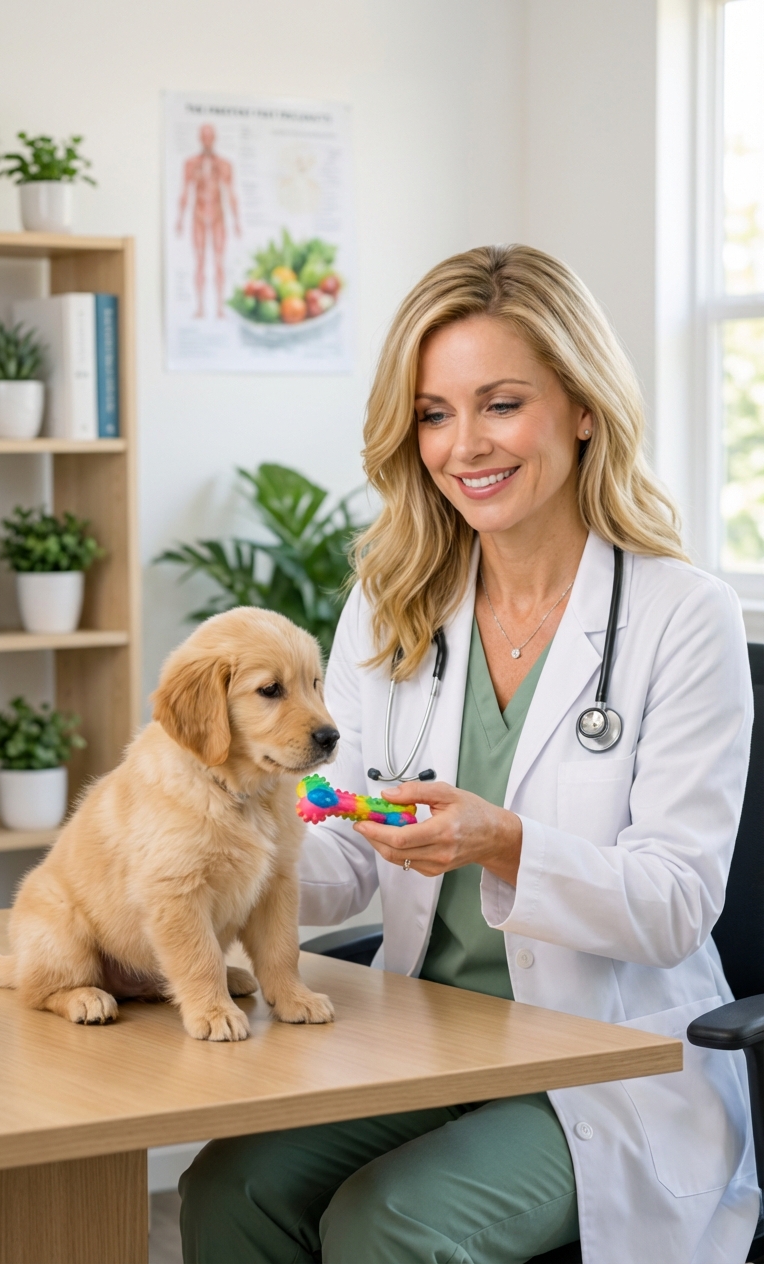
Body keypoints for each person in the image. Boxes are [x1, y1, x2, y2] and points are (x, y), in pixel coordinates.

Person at [179, 245, 757, 1264]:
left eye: (501, 404)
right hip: (428, 1037)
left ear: (582, 407)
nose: (464, 446)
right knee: (234, 1189)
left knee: (391, 1221)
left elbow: (675, 902)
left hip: (600, 1061)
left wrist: (503, 842)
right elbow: (341, 846)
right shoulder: (392, 605)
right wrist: (212, 847)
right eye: (434, 413)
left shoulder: (681, 615)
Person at [176, 123, 241, 319]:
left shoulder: (224, 164)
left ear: (215, 138)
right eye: (204, 136)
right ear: (199, 138)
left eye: (210, 136)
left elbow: (231, 193)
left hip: (218, 216)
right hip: (198, 215)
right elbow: (185, 192)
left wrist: (237, 221)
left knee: (219, 262)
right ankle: (200, 308)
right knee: (200, 262)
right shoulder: (190, 163)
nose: (207, 140)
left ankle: (219, 308)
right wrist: (180, 219)